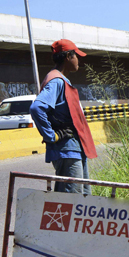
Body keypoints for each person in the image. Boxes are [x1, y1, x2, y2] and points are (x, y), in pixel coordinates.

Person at [30, 39, 97, 194]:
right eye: (76, 56)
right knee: (70, 200)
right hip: (67, 150)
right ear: (68, 56)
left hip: (75, 147)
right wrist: (51, 136)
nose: (78, 60)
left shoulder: (62, 80)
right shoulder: (56, 81)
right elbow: (36, 108)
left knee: (84, 197)